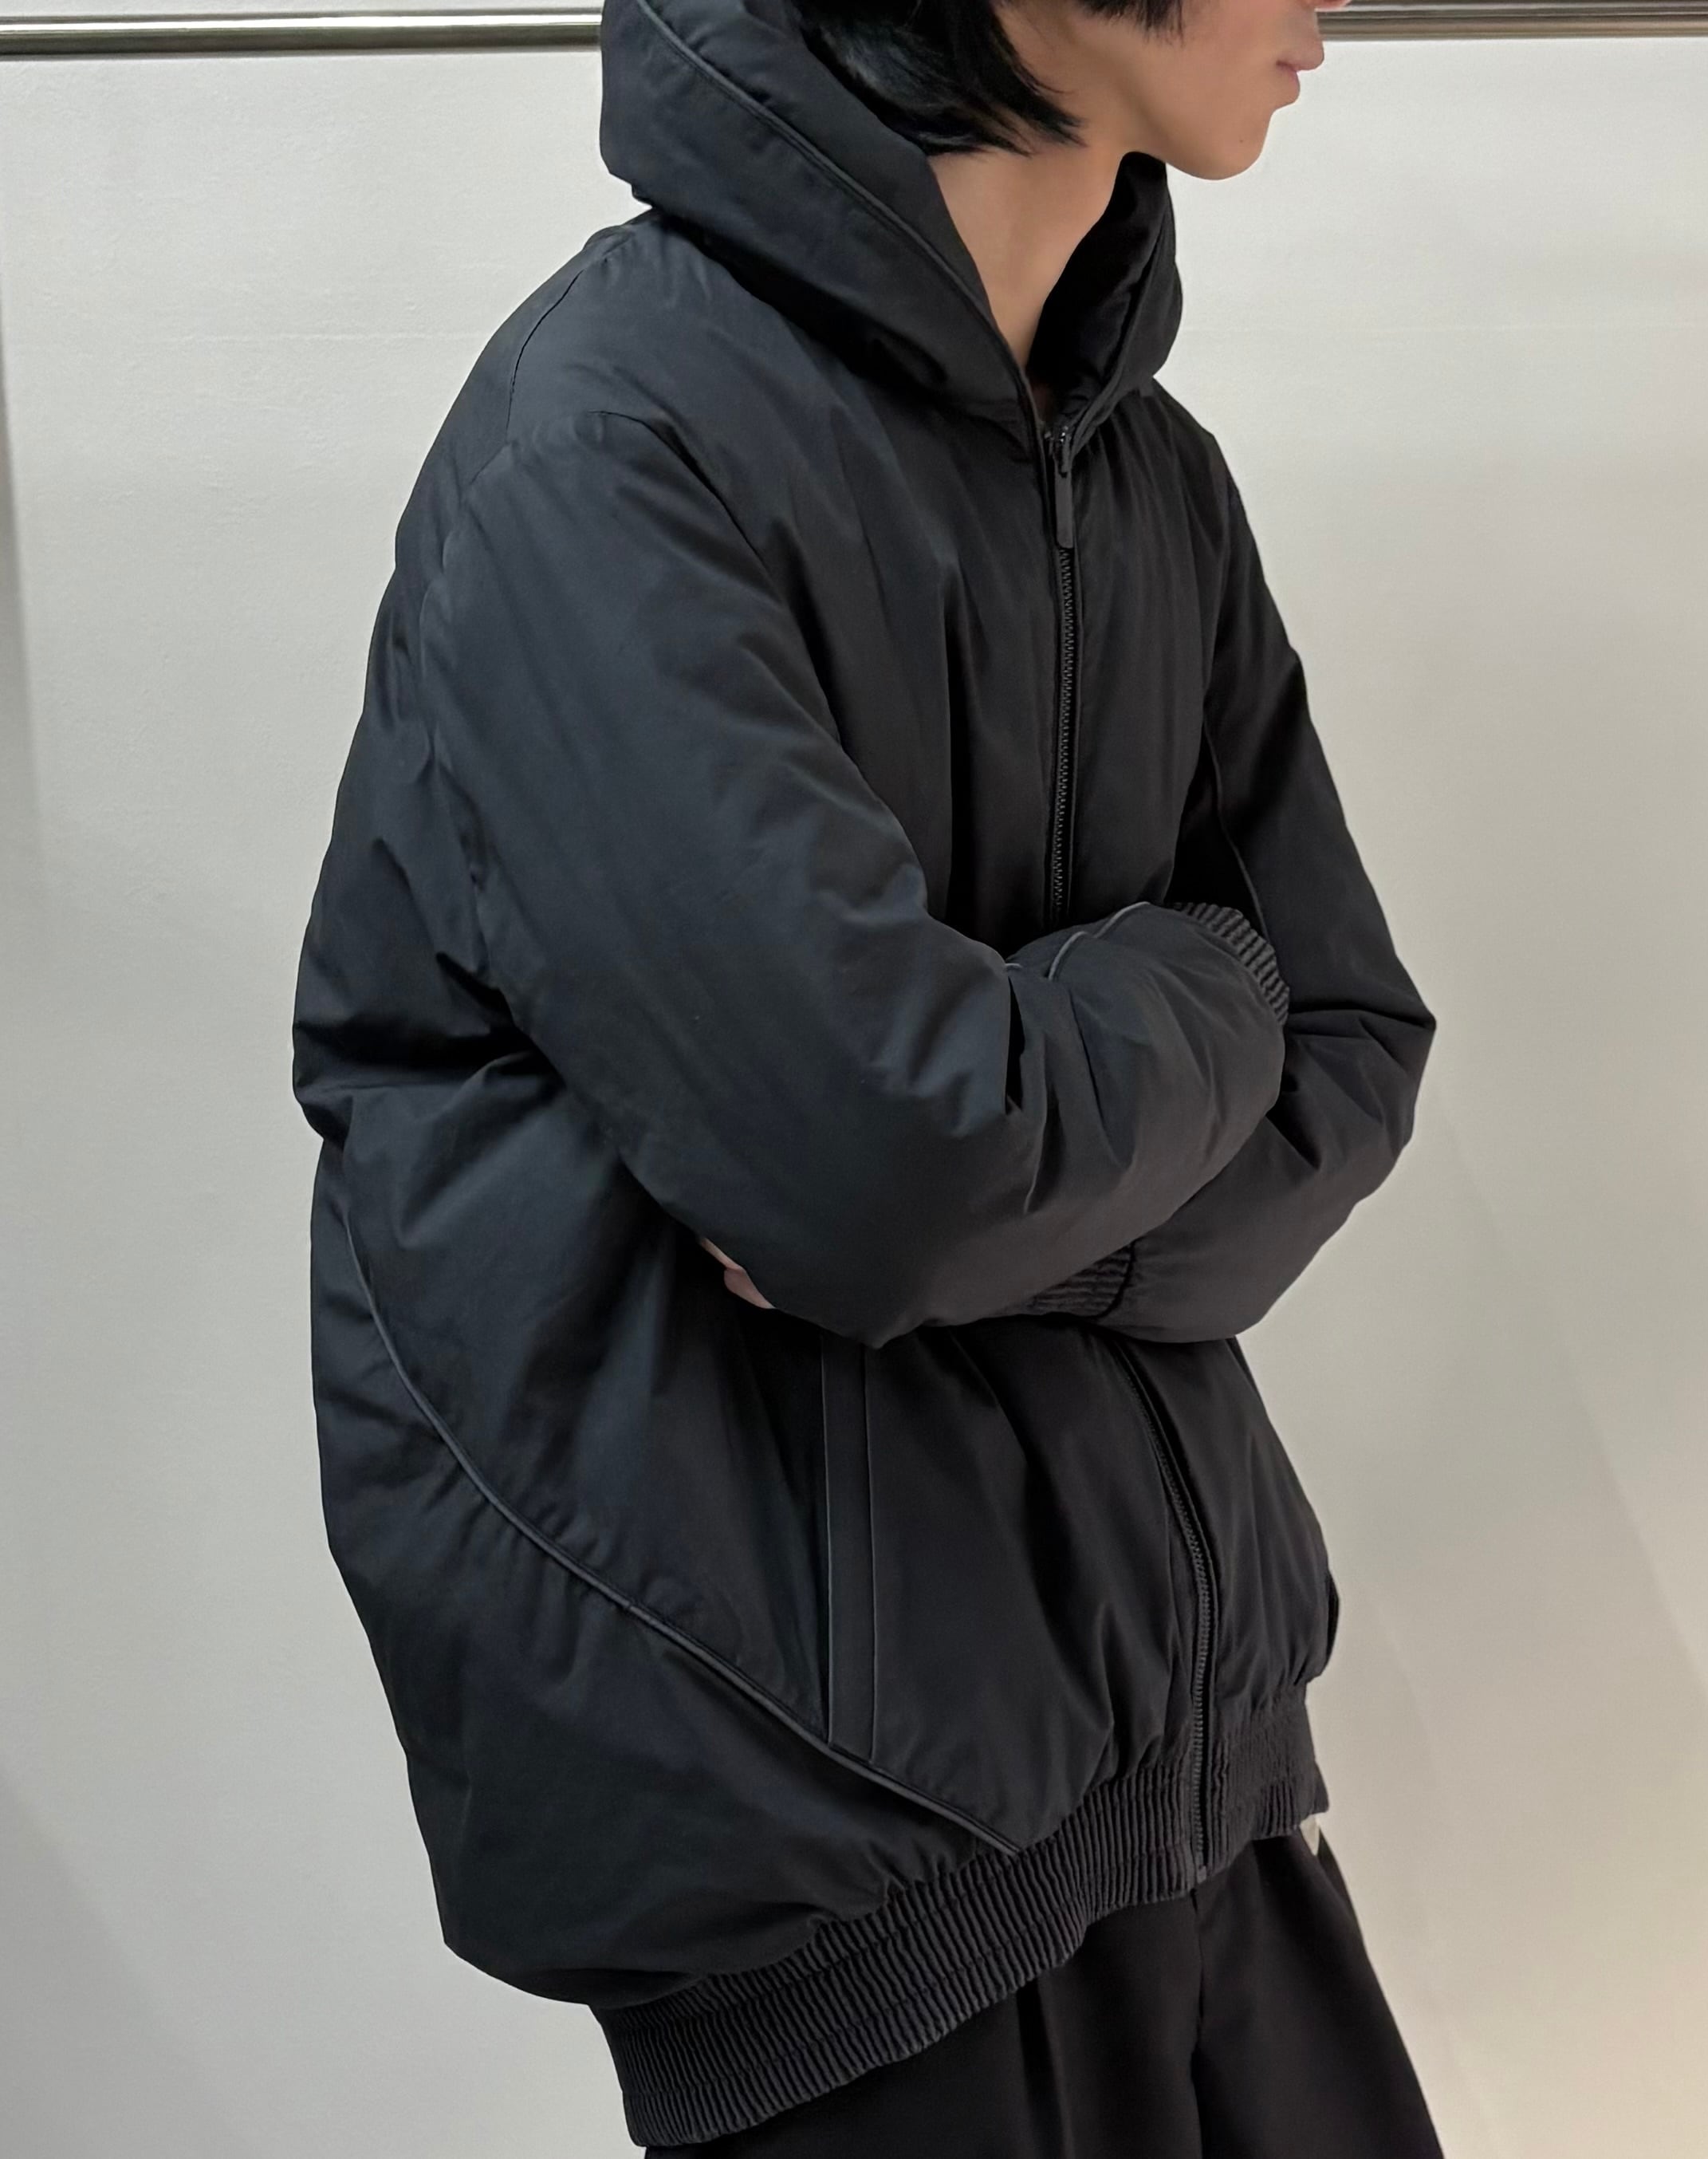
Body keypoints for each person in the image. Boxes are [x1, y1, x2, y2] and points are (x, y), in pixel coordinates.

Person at [289, 0, 1443, 2148]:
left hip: (1195, 1781)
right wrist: (1205, 997)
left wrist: (1035, 1150)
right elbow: (884, 1172)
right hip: (853, 1898)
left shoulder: (1150, 480)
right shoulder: (606, 449)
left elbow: (1353, 1052)